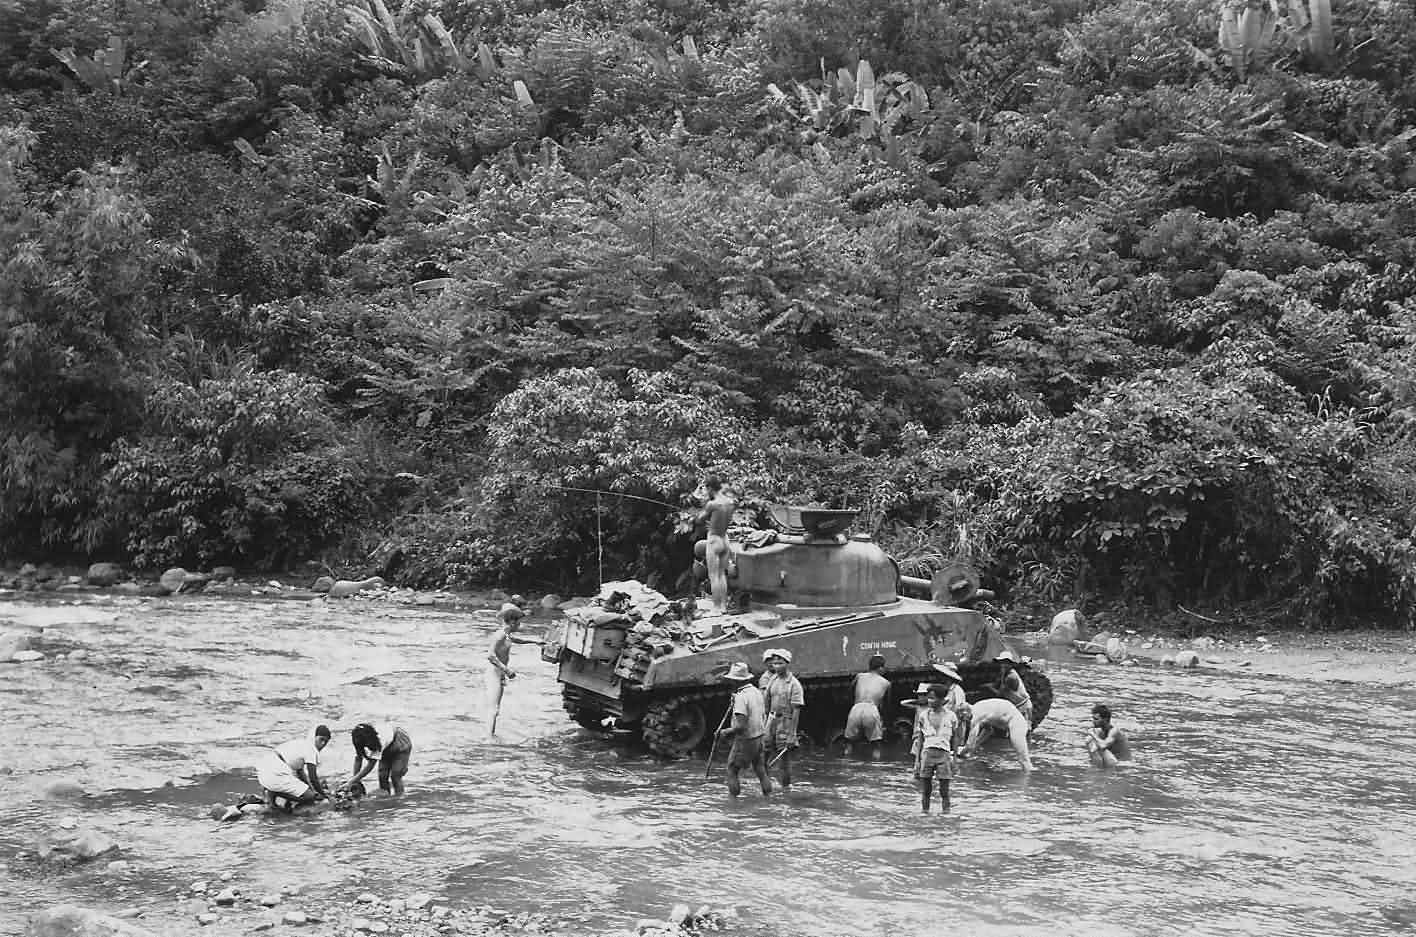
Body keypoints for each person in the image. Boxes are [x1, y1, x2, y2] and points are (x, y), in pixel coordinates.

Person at [485, 602, 542, 739]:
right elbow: (490, 655)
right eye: (518, 622)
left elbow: (516, 640)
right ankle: (488, 738)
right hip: (494, 674)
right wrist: (507, 670)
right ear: (511, 622)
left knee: (496, 708)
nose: (520, 625)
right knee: (494, 709)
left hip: (500, 674)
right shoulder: (499, 635)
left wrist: (534, 642)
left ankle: (491, 734)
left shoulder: (507, 635)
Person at [719, 661, 771, 797]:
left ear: (735, 681)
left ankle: (734, 802)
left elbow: (741, 727)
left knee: (732, 770)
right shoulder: (756, 691)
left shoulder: (741, 697)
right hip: (759, 736)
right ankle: (768, 797)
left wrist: (726, 731)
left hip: (746, 739)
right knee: (760, 769)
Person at [256, 725, 333, 812]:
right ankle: (273, 792)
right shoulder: (311, 749)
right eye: (321, 739)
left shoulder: (300, 743)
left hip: (265, 769)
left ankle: (272, 794)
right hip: (275, 774)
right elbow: (313, 778)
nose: (323, 744)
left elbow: (301, 773)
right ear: (314, 737)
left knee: (305, 790)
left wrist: (311, 790)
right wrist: (322, 795)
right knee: (310, 797)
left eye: (326, 742)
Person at [759, 648, 804, 790]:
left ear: (787, 663)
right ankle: (765, 786)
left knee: (783, 760)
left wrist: (792, 734)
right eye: (774, 663)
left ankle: (786, 788)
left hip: (785, 722)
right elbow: (766, 704)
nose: (776, 666)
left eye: (780, 663)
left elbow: (796, 710)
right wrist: (764, 725)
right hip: (771, 720)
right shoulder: (772, 679)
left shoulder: (794, 684)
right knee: (764, 754)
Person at [912, 685, 959, 813]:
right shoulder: (923, 716)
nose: (930, 701)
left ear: (942, 700)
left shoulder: (951, 716)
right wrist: (917, 760)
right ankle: (925, 813)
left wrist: (954, 759)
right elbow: (920, 738)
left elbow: (955, 738)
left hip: (944, 755)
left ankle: (946, 813)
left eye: (933, 698)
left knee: (944, 791)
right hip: (927, 754)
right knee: (926, 790)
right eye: (929, 698)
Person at [960, 698, 1033, 771]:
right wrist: (974, 746)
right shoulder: (979, 709)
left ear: (966, 713)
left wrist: (961, 752)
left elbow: (969, 745)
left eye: (962, 717)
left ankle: (1028, 779)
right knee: (1023, 761)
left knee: (1023, 760)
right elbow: (989, 731)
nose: (963, 720)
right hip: (1012, 720)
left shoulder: (975, 715)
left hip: (1016, 723)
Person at [698, 476, 736, 613]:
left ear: (710, 488)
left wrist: (700, 514)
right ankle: (724, 607)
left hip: (714, 540)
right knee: (722, 575)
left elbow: (700, 519)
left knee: (713, 576)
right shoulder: (730, 502)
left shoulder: (712, 504)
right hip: (725, 539)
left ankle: (716, 608)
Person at [842, 654, 891, 757]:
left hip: (856, 709)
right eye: (884, 667)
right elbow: (886, 705)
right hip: (872, 710)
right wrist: (884, 722)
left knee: (849, 743)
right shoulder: (886, 683)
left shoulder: (859, 676)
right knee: (876, 745)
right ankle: (875, 768)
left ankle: (846, 763)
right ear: (880, 668)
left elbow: (849, 693)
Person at [349, 723, 413, 795]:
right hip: (386, 747)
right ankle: (386, 798)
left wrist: (351, 782)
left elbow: (370, 766)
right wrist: (355, 780)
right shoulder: (359, 738)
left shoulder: (379, 740)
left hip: (400, 744)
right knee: (382, 775)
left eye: (366, 744)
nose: (366, 746)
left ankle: (399, 798)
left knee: (396, 775)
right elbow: (358, 758)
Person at [931, 662, 970, 752]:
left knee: (955, 750)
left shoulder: (957, 690)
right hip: (944, 725)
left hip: (955, 725)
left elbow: (961, 709)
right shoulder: (944, 690)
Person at [990, 652, 1034, 727]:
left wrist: (988, 688)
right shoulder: (1004, 672)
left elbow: (1000, 694)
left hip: (1023, 708)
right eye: (1002, 662)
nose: (1003, 665)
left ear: (1010, 664)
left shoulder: (1011, 677)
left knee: (1022, 730)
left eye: (1006, 663)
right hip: (1018, 706)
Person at [1085, 703, 1133, 767]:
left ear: (1105, 719)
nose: (1093, 721)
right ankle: (1096, 767)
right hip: (1112, 761)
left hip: (1122, 764)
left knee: (1095, 742)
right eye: (1093, 718)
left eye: (1096, 719)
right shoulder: (1100, 731)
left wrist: (1092, 734)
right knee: (1089, 740)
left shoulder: (1114, 731)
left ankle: (1097, 769)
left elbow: (1103, 746)